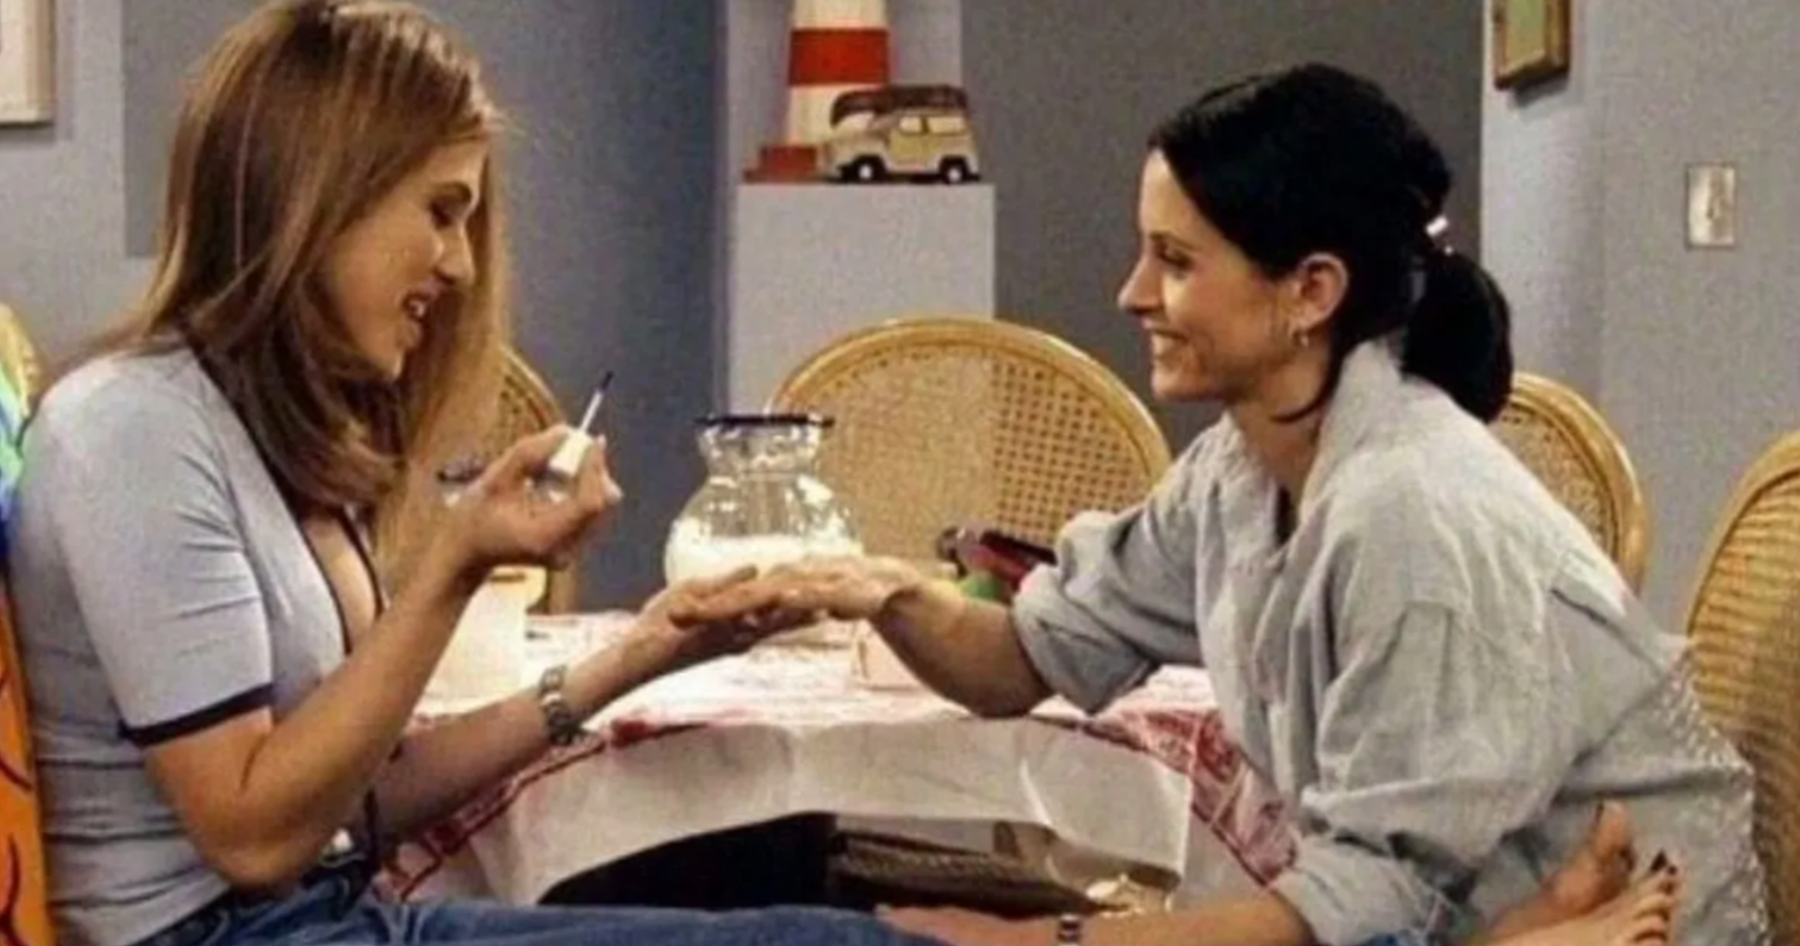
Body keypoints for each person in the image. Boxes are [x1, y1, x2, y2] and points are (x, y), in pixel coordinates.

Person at [683, 64, 1765, 945]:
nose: (1132, 294)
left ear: (1311, 291)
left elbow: (1367, 904)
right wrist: (882, 592)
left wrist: (1047, 940)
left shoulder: (1412, 514)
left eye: (1175, 261)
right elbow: (1028, 657)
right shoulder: (1242, 470)